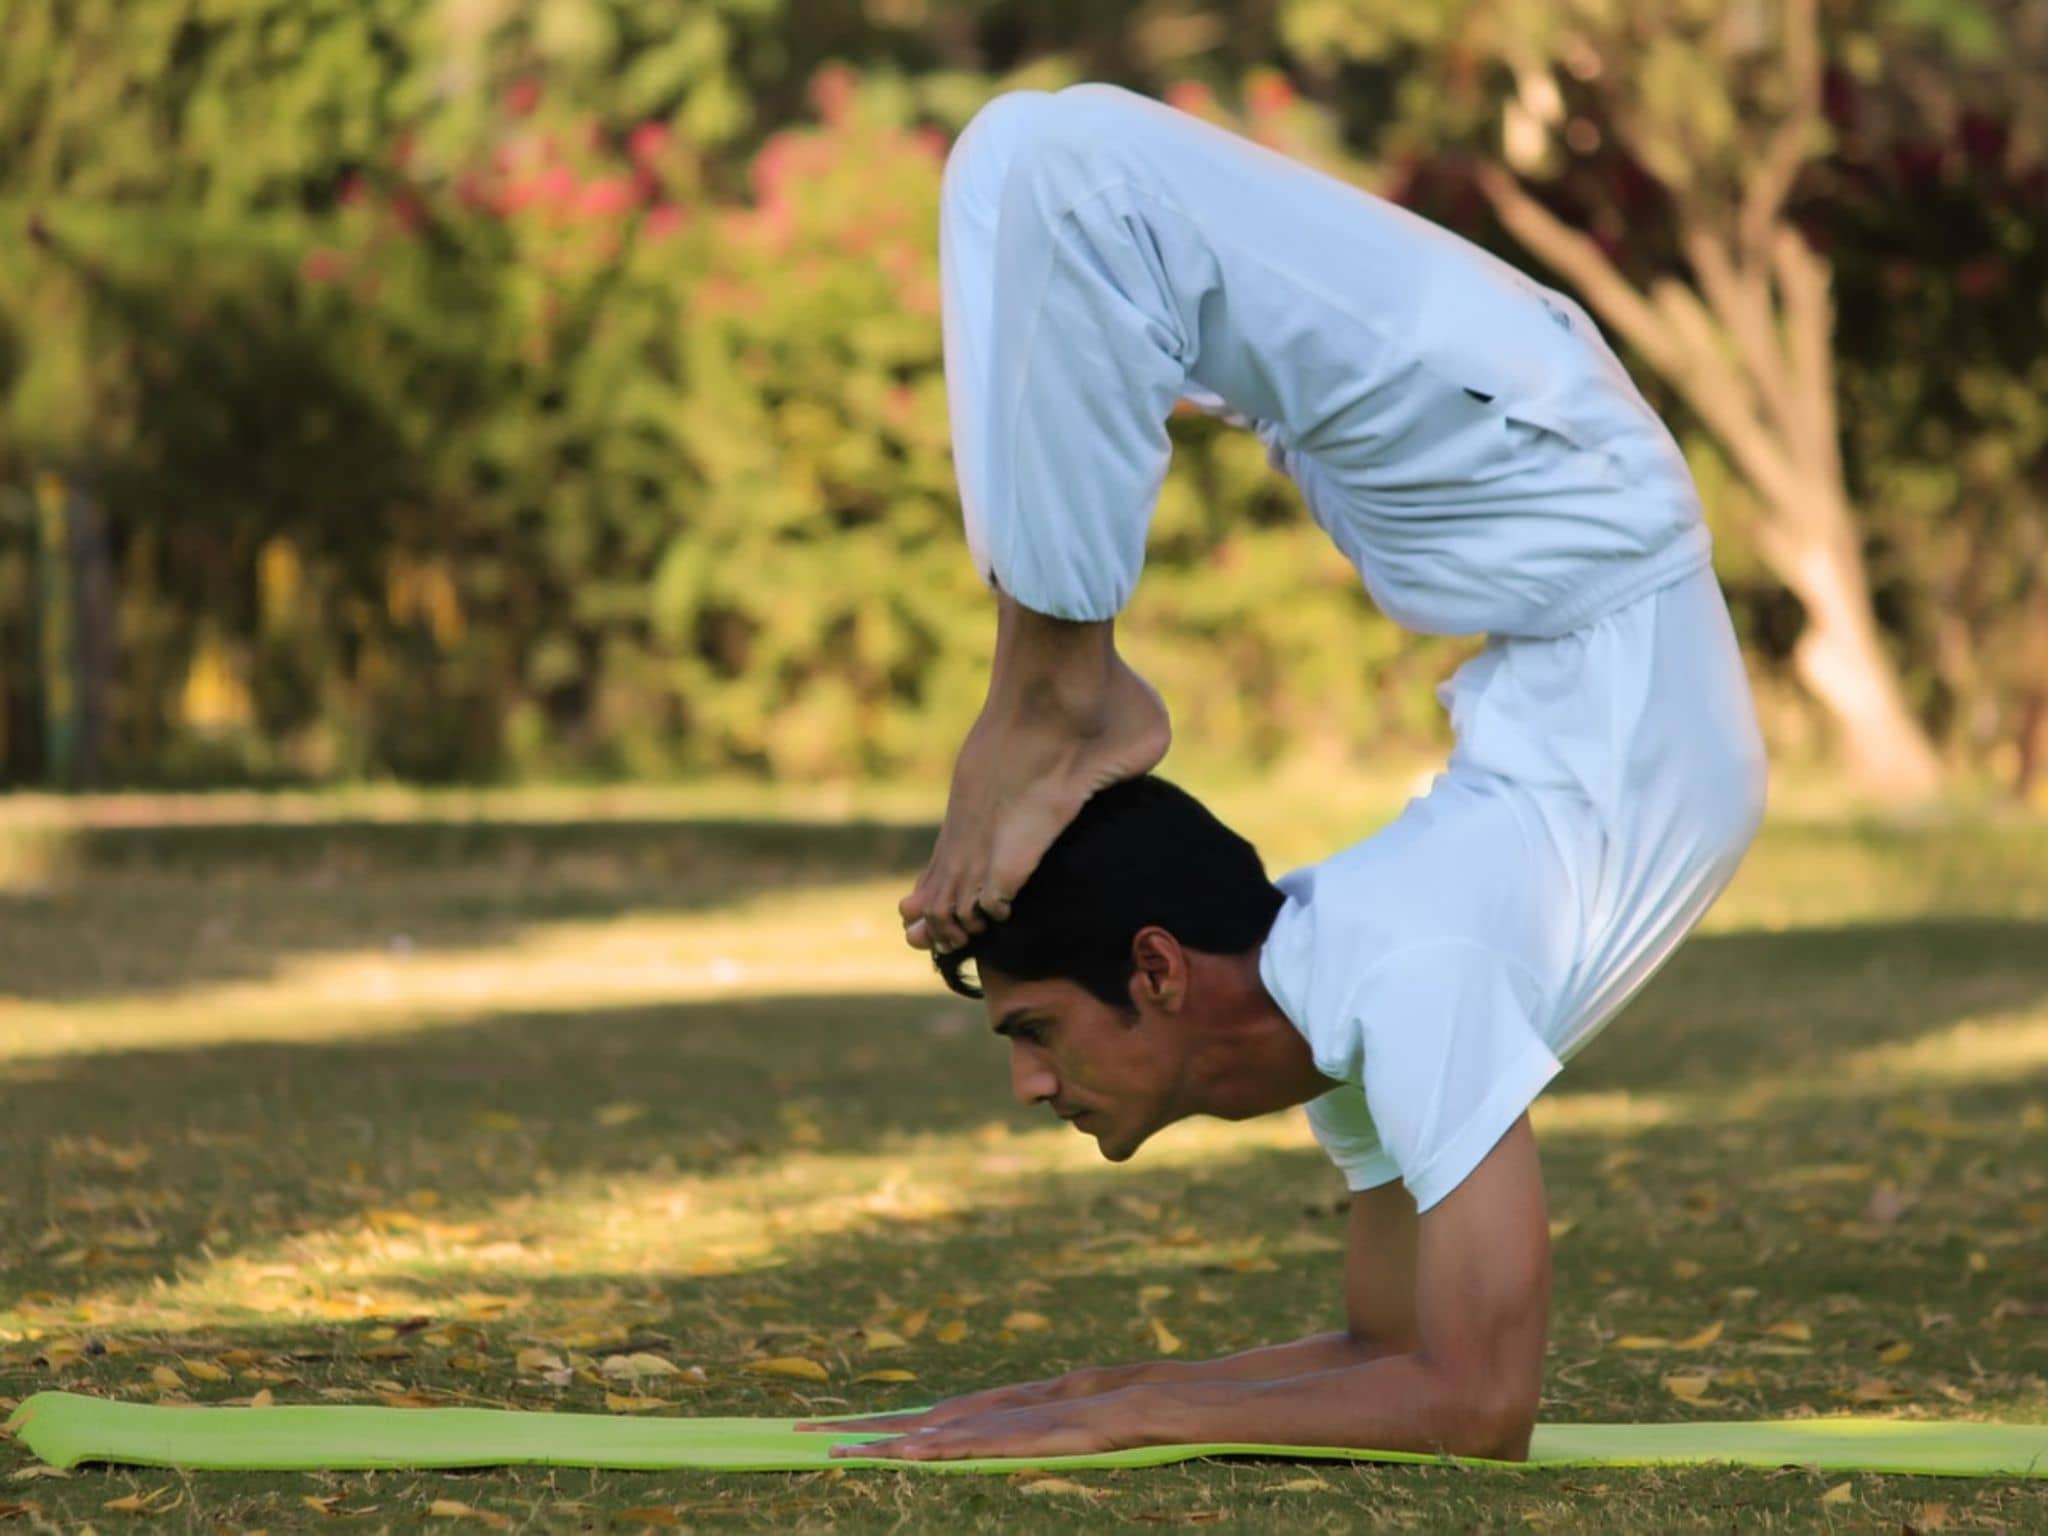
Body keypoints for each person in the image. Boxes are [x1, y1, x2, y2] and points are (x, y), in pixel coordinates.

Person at [822, 81, 1767, 1463]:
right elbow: (1402, 1362)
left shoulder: (1399, 979)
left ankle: (1059, 690)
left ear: (1156, 968)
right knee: (1037, 174)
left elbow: (1477, 1402)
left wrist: (1135, 1413)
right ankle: (1056, 685)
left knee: (1051, 170)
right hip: (1542, 532)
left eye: (1033, 1033)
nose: (1028, 1090)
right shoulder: (1366, 1009)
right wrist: (1078, 1402)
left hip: (1562, 519)